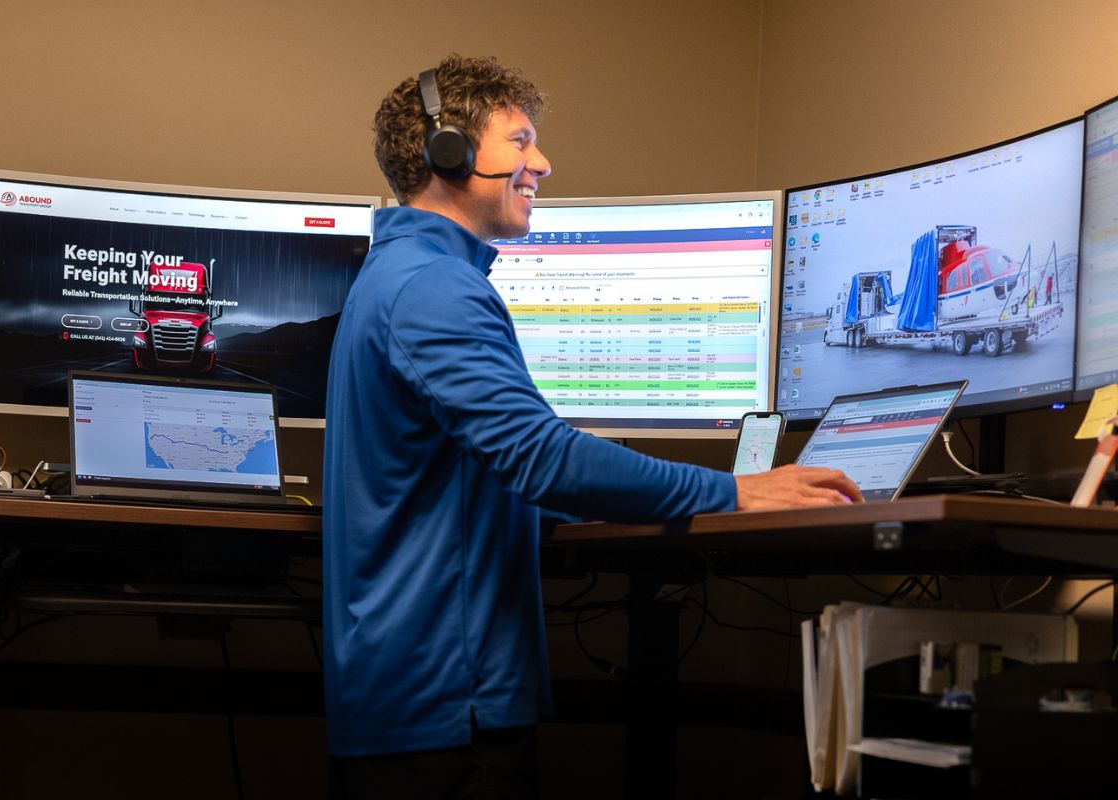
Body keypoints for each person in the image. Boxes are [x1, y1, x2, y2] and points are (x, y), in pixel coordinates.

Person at [322, 54, 862, 799]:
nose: (541, 163)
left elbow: (491, 468)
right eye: (519, 142)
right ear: (447, 154)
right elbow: (540, 458)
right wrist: (737, 492)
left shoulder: (404, 277)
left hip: (414, 694)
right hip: (444, 705)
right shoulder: (434, 290)